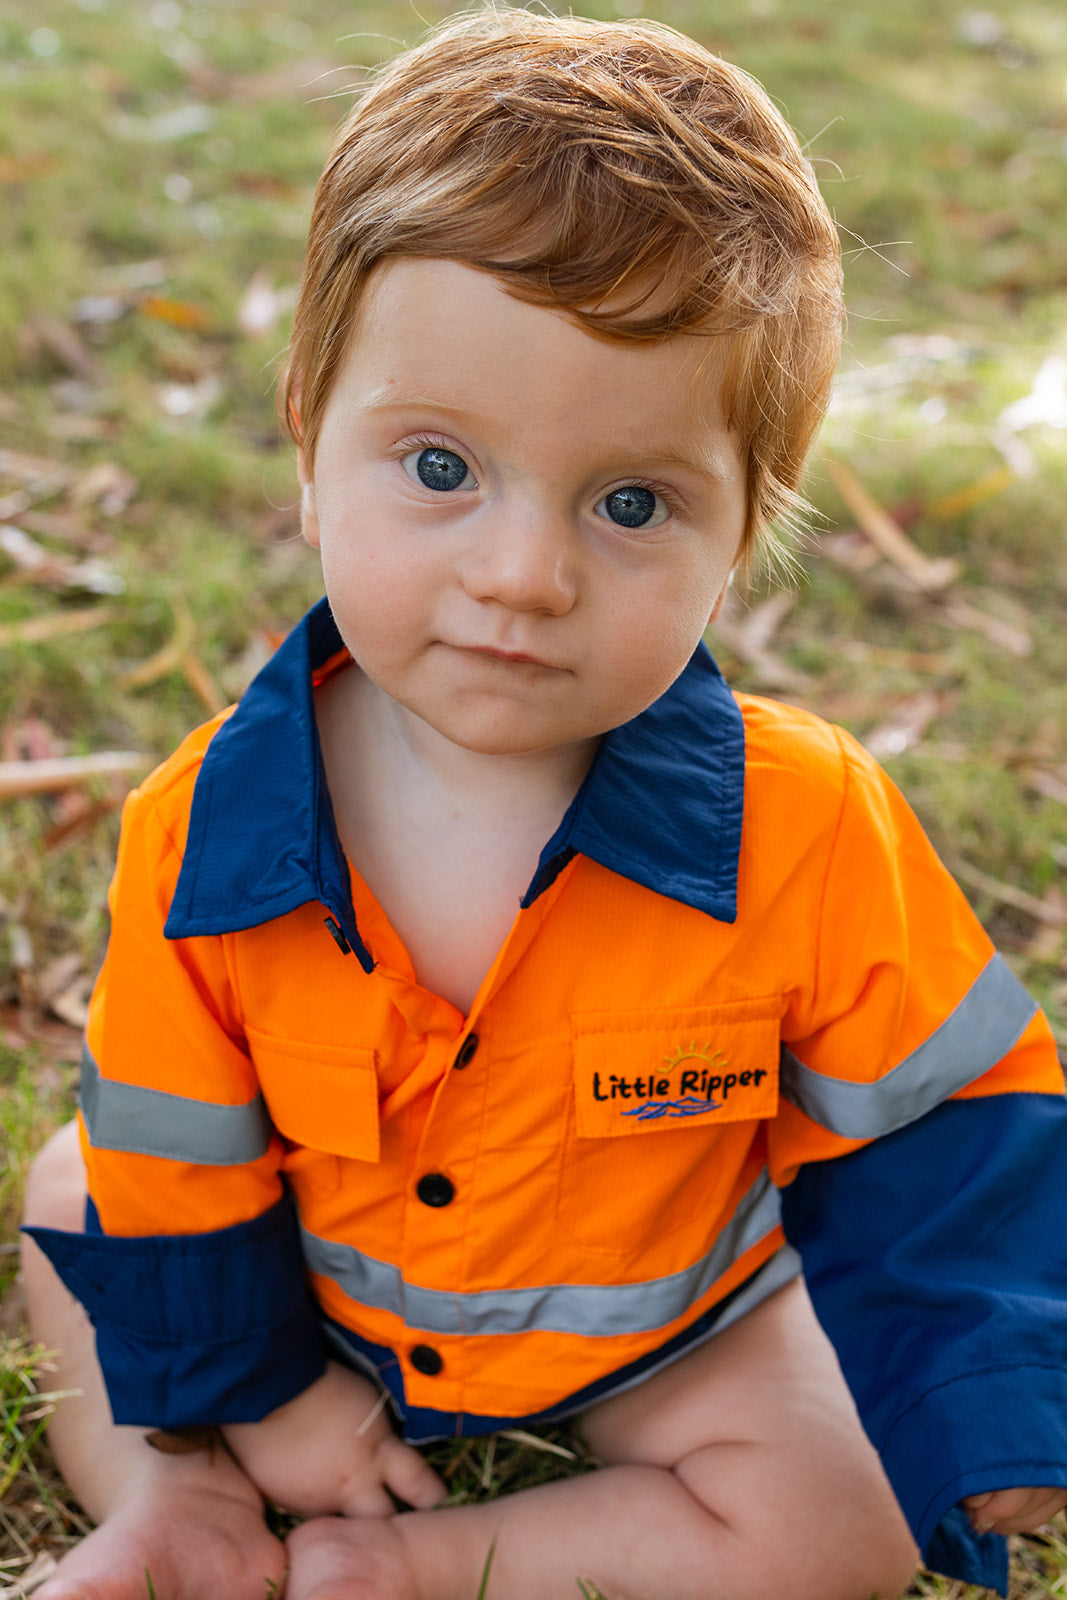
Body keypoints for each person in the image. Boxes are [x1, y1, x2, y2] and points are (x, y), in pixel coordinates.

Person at [19, 9, 1067, 1599]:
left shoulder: (809, 827)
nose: (524, 573)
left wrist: (992, 1406)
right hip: (306, 1296)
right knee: (76, 1200)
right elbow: (182, 1148)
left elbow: (949, 1132)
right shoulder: (205, 832)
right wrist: (272, 1395)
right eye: (440, 468)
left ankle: (440, 1564)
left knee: (845, 1506)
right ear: (310, 432)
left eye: (632, 502)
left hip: (666, 1322)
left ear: (746, 525)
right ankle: (175, 1508)